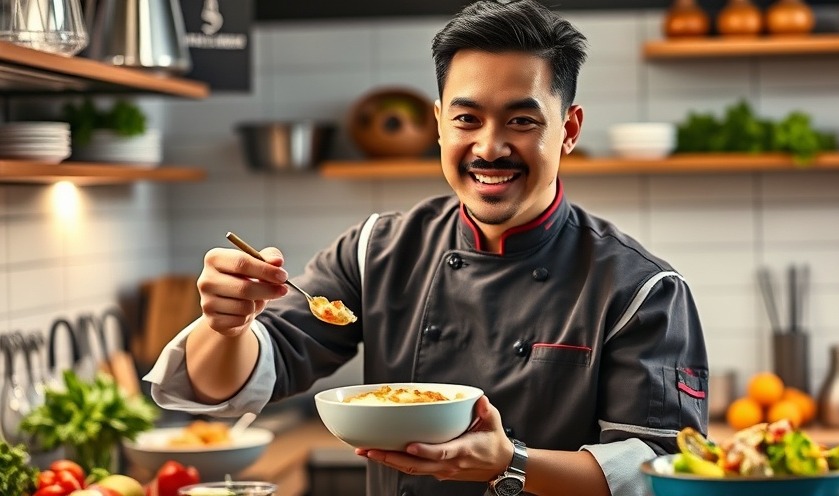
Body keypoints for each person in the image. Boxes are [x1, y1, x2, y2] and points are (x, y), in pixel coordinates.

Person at [145, 1, 709, 495]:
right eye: (467, 119)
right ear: (439, 125)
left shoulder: (640, 289)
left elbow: (661, 474)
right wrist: (226, 327)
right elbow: (233, 382)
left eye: (521, 120)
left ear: (569, 129)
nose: (489, 147)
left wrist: (511, 463)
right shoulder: (377, 250)